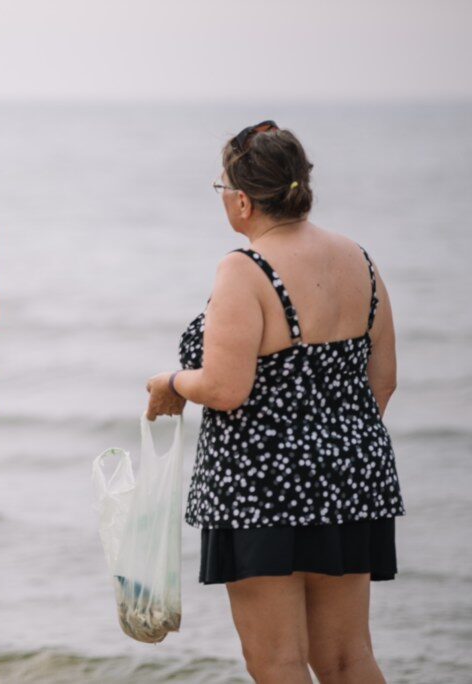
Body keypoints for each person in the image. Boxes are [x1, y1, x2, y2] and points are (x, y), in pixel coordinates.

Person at [145, 121, 403, 684]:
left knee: (277, 661)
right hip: (353, 478)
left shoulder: (246, 268)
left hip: (261, 491)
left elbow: (224, 387)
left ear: (241, 199)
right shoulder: (360, 260)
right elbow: (382, 381)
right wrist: (331, 447)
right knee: (348, 657)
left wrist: (171, 381)